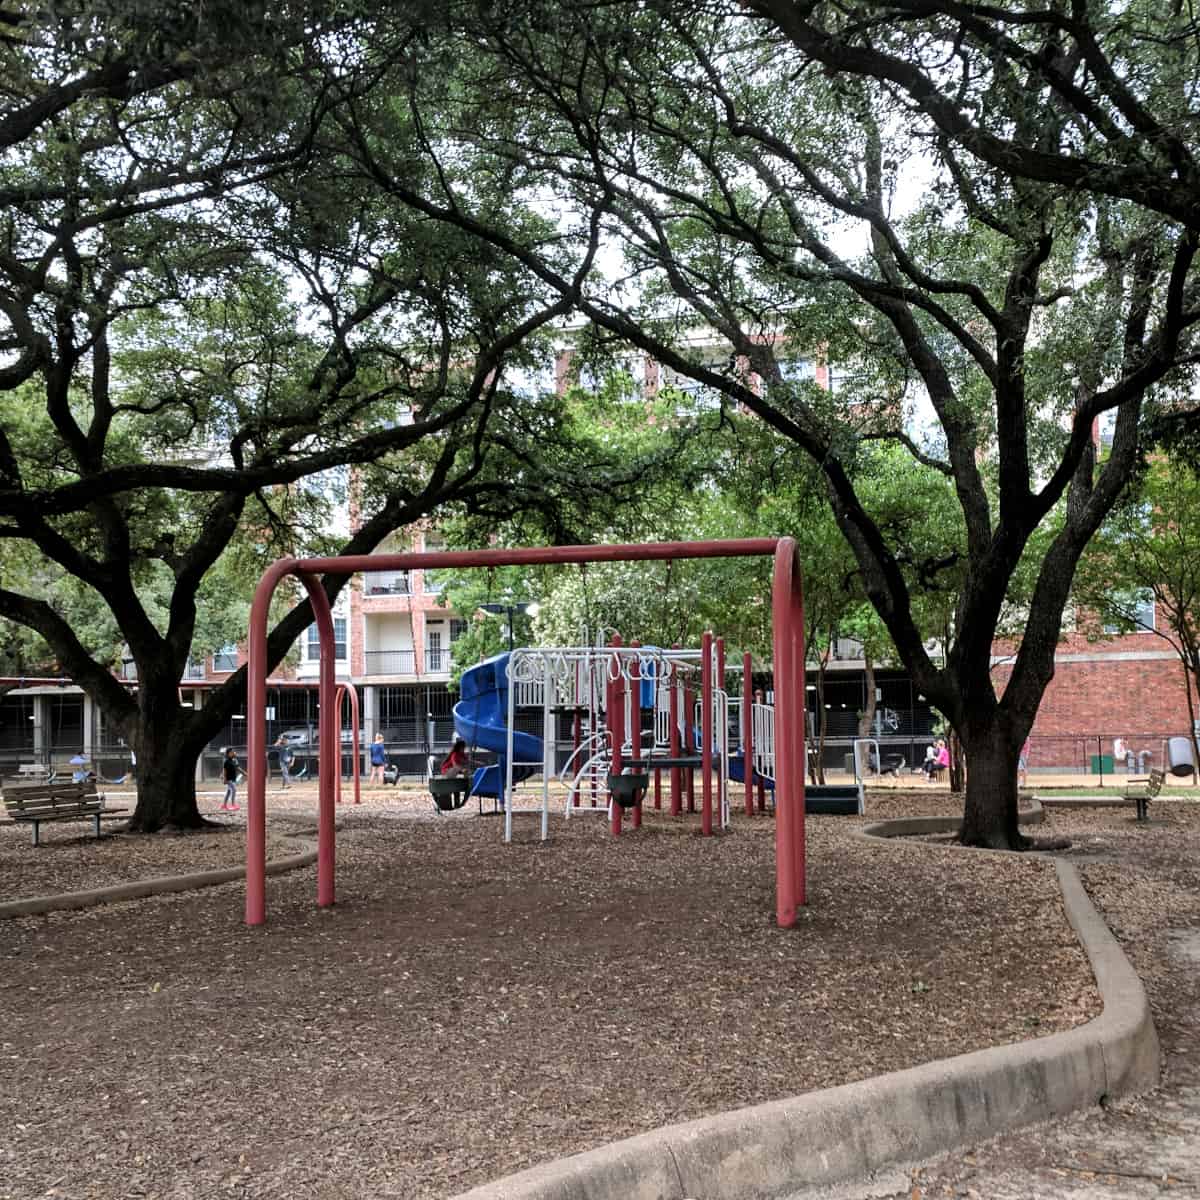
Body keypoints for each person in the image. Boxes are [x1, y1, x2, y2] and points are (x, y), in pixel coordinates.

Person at [221, 747, 242, 811]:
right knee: (234, 790)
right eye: (232, 752)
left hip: (232, 779)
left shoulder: (233, 760)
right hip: (228, 779)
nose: (233, 753)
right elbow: (224, 770)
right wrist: (224, 779)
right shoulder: (226, 761)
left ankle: (224, 805)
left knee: (228, 792)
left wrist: (246, 774)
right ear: (228, 753)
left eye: (233, 752)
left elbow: (238, 768)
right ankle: (233, 805)